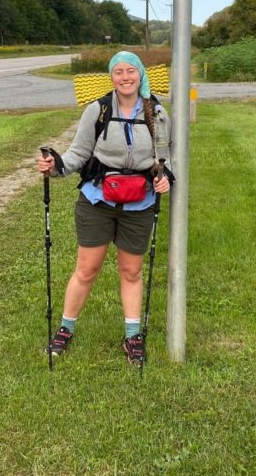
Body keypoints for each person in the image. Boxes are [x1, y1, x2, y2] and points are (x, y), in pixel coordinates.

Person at [37, 50, 172, 365]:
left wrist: (166, 178)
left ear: (140, 74)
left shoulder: (158, 113)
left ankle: (132, 337)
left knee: (131, 270)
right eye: (118, 72)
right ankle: (65, 330)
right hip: (97, 200)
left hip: (139, 203)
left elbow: (167, 157)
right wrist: (55, 166)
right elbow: (78, 153)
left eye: (131, 71)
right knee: (87, 269)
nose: (125, 77)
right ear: (111, 77)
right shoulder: (97, 110)